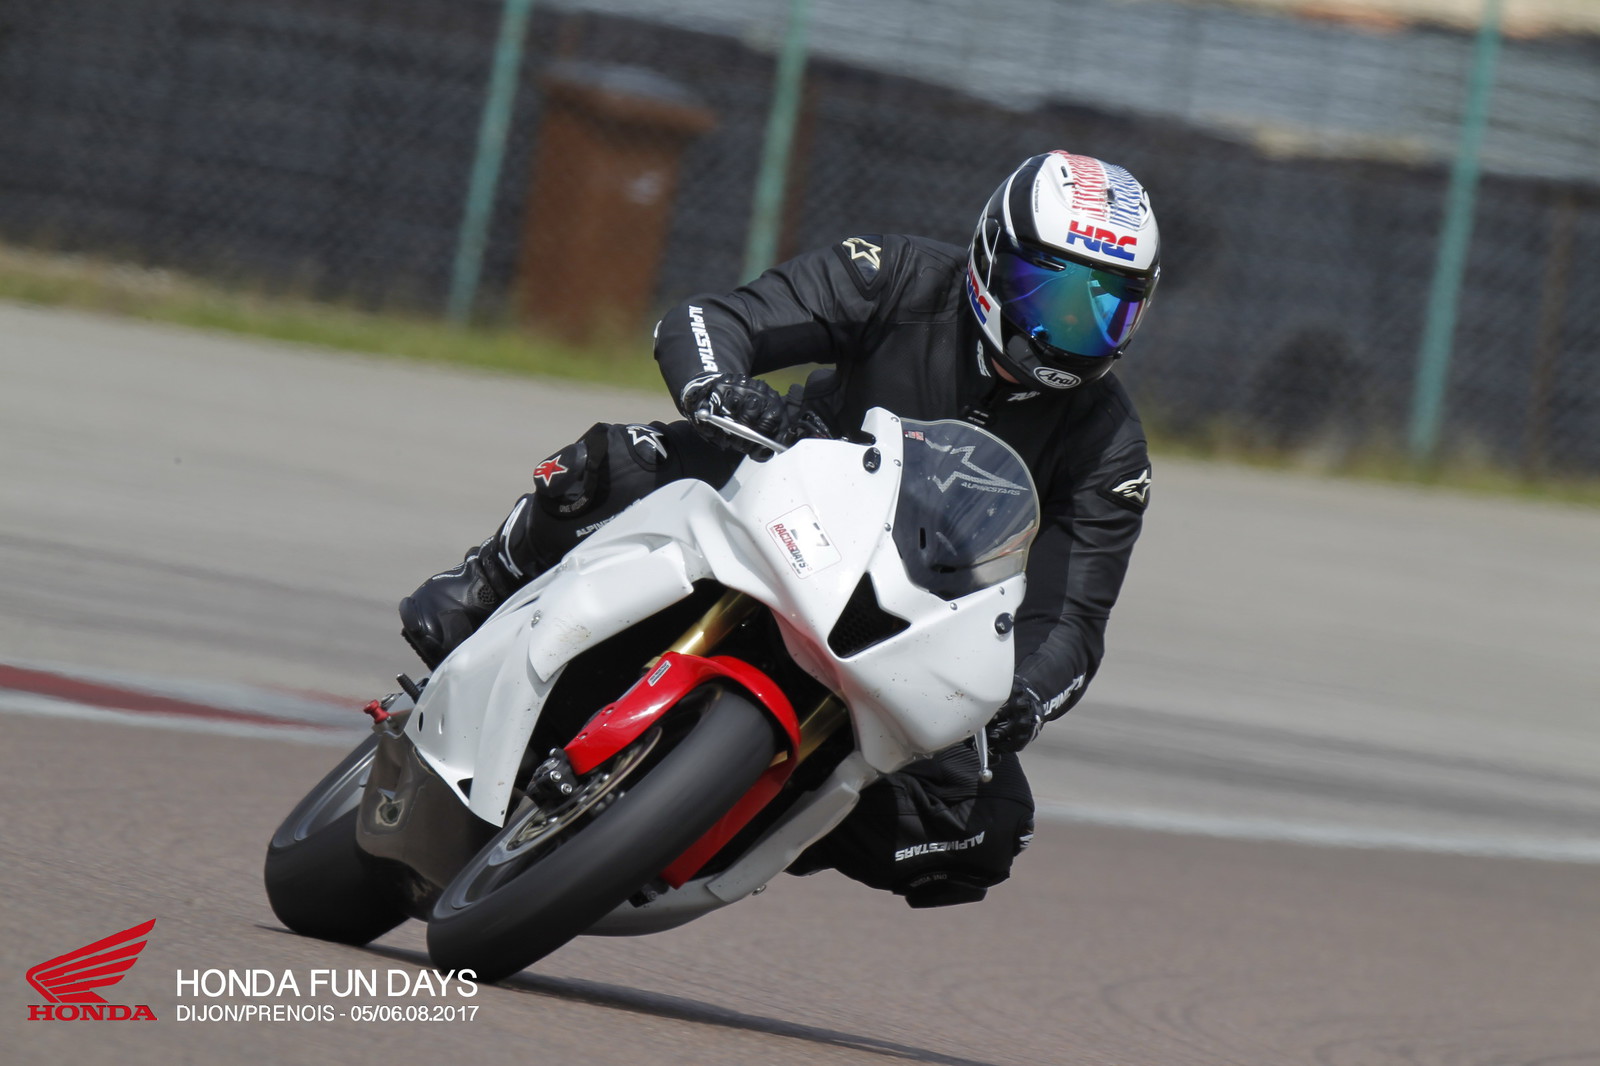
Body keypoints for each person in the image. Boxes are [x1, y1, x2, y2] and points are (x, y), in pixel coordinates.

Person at [399, 150, 1159, 907]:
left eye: (1106, 309)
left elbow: (1071, 620)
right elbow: (714, 320)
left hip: (907, 621)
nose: (1073, 327)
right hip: (781, 502)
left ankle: (742, 818)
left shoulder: (1110, 445)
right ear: (992, 257)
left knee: (988, 825)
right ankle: (489, 579)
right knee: (617, 464)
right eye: (1053, 294)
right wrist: (717, 386)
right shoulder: (895, 275)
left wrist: (1025, 696)